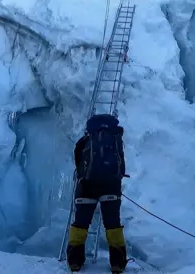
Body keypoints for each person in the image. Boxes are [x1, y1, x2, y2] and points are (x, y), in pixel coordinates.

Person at [67, 114, 128, 273]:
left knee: (80, 223)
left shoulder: (85, 142)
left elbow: (78, 162)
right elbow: (121, 166)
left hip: (87, 186)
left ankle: (75, 261)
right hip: (111, 186)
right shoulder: (115, 141)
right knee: (112, 224)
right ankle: (117, 263)